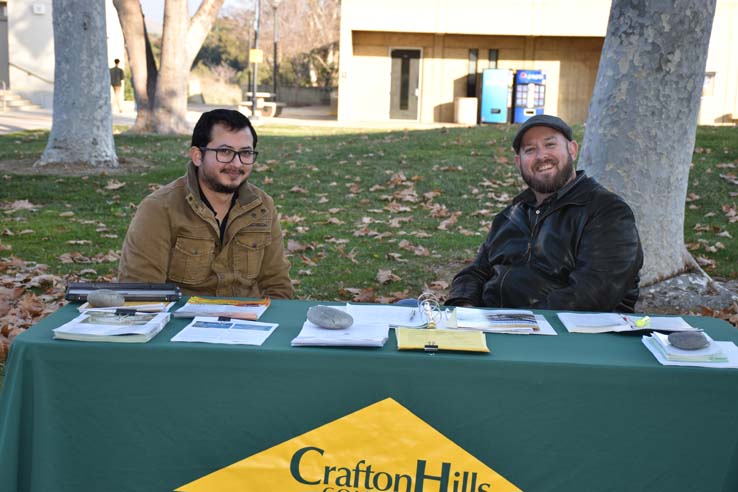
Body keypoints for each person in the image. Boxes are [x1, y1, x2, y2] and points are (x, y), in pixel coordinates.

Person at [446, 114, 643, 312]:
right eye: (530, 150)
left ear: (572, 150)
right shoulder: (510, 216)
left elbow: (591, 294)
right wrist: (465, 309)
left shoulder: (607, 211)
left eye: (550, 145)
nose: (541, 156)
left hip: (572, 336)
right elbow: (474, 273)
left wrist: (515, 322)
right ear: (518, 162)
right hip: (495, 328)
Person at [118, 109, 294, 299]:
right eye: (224, 152)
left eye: (245, 153)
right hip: (181, 323)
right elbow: (142, 291)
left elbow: (278, 286)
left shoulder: (262, 207)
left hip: (248, 321)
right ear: (197, 156)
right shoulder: (160, 208)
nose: (236, 163)